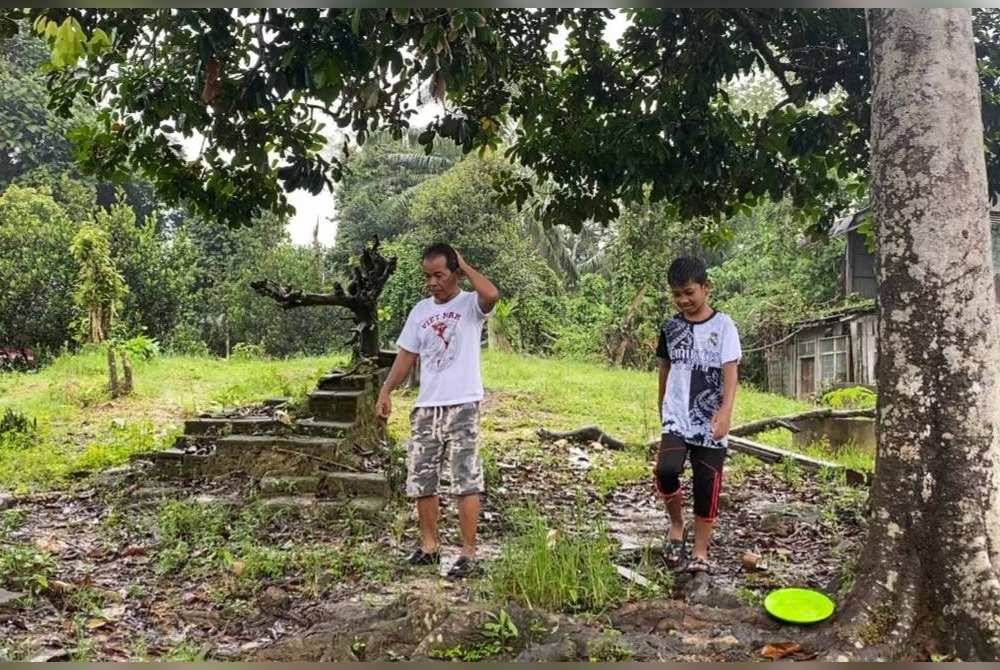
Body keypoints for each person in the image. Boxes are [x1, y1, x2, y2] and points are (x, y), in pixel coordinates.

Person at [376, 242, 499, 578]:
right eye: (427, 276)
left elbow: (491, 293)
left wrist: (465, 264)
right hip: (426, 408)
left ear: (455, 273)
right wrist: (386, 390)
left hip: (463, 404)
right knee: (422, 479)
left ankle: (469, 553)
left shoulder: (470, 305)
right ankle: (430, 547)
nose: (432, 282)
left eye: (439, 275)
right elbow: (406, 356)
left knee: (466, 479)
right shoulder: (420, 311)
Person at [654, 256, 741, 573]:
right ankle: (677, 524)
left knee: (707, 484)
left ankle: (700, 551)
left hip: (710, 419)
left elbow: (730, 371)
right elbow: (665, 370)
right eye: (676, 294)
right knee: (666, 470)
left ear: (706, 287)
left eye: (689, 292)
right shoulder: (671, 328)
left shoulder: (724, 326)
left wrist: (726, 411)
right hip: (677, 416)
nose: (683, 300)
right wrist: (662, 405)